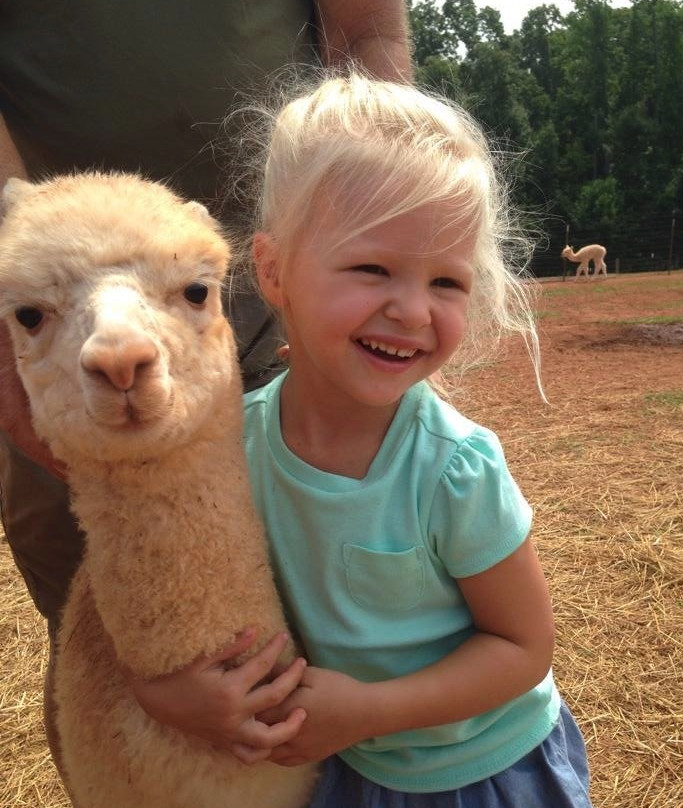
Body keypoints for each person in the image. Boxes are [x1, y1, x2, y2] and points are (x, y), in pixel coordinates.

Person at [132, 73, 593, 807]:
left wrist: (371, 712)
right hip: (343, 773)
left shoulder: (454, 468)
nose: (413, 310)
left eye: (448, 282)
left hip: (485, 773)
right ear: (274, 271)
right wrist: (169, 695)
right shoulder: (229, 449)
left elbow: (523, 648)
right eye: (373, 268)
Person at [0, 0, 411, 774]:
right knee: (91, 637)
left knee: (338, 595)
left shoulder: (449, 471)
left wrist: (369, 275)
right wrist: (14, 334)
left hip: (286, 291)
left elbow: (367, 31)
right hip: (48, 322)